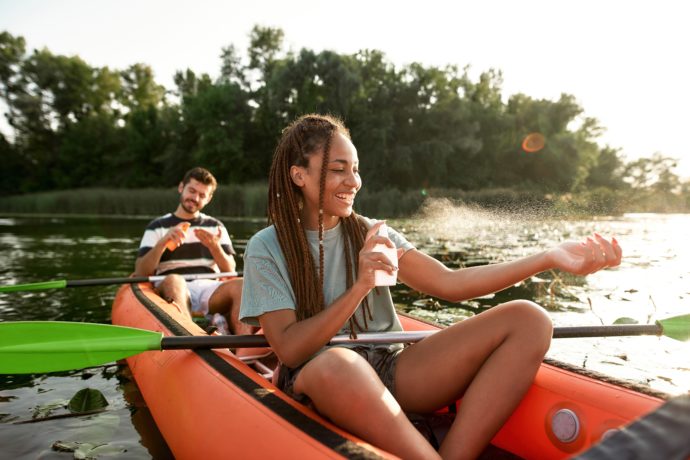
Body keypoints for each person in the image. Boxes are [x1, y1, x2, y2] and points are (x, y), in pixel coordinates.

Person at [239, 114, 622, 459]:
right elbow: (289, 349)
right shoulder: (266, 248)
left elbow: (451, 283)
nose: (353, 181)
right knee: (341, 362)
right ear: (299, 175)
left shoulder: (373, 232)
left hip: (391, 368)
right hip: (319, 377)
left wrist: (548, 257)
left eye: (355, 169)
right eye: (339, 169)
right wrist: (360, 287)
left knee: (530, 319)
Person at [134, 166, 252, 335]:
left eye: (202, 195)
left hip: (209, 287)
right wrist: (164, 241)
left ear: (209, 199)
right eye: (192, 191)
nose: (195, 198)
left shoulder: (215, 226)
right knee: (175, 280)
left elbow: (229, 271)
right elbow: (141, 272)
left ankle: (244, 349)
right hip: (172, 285)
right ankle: (190, 337)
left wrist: (214, 247)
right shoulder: (157, 226)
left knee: (242, 284)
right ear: (181, 188)